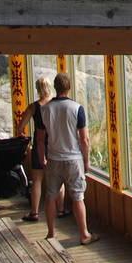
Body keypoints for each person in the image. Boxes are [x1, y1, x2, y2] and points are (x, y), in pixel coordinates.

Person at [36, 71, 96, 245]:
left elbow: (40, 139)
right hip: (73, 159)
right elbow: (84, 139)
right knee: (78, 196)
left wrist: (42, 158)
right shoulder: (77, 108)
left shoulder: (44, 109)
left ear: (55, 87)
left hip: (53, 158)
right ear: (69, 87)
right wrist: (86, 161)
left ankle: (51, 233)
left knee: (50, 195)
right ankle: (84, 234)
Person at [16, 74, 55, 222]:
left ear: (38, 89)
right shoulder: (56, 104)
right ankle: (61, 209)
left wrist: (23, 136)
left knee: (37, 180)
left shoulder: (34, 107)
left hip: (39, 146)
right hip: (55, 145)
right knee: (56, 180)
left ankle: (34, 212)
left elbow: (20, 128)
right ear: (50, 87)